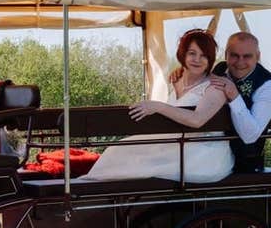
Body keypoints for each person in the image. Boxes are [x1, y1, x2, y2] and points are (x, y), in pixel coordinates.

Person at [75, 28, 232, 183]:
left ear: (210, 59)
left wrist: (158, 106)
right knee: (119, 148)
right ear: (182, 54)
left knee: (137, 160)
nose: (197, 59)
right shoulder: (176, 79)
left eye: (204, 56)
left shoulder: (215, 87)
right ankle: (91, 187)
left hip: (203, 154)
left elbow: (197, 120)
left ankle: (93, 190)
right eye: (192, 53)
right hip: (176, 142)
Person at [208, 31, 271, 173]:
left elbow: (250, 136)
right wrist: (182, 74)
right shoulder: (219, 69)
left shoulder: (268, 86)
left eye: (247, 56)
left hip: (244, 164)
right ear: (226, 56)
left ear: (258, 57)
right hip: (209, 153)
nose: (240, 62)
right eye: (234, 55)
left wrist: (234, 96)